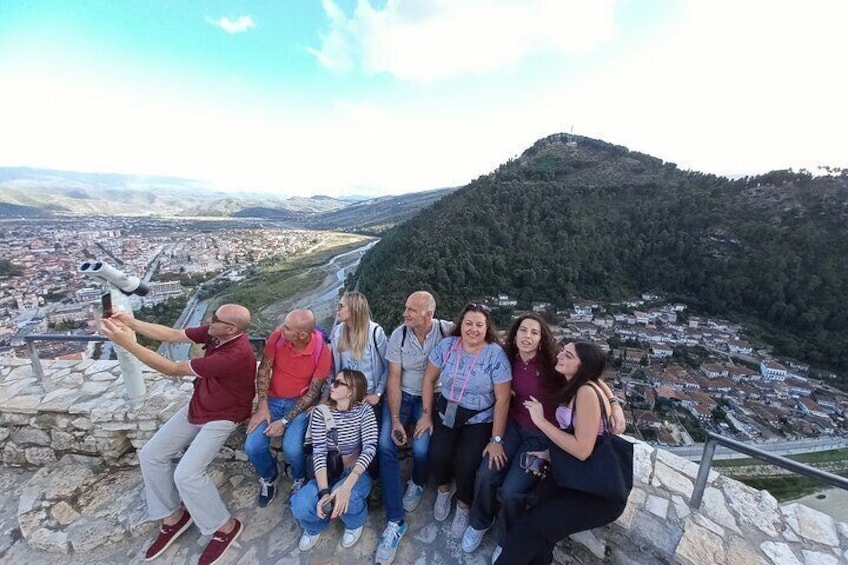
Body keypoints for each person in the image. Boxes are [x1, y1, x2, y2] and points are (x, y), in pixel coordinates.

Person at [100, 305, 256, 565]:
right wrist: (130, 322)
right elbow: (173, 335)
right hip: (201, 403)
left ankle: (225, 527)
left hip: (224, 414)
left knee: (187, 474)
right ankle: (173, 515)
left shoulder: (235, 354)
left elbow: (171, 369)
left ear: (231, 329)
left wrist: (126, 343)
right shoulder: (218, 333)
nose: (209, 321)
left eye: (214, 319)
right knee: (151, 454)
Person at [462, 315, 626, 557]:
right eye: (523, 330)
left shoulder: (553, 365)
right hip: (514, 428)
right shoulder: (507, 358)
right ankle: (480, 521)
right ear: (515, 334)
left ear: (541, 339)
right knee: (486, 473)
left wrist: (614, 403)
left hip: (543, 438)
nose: (527, 336)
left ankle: (507, 539)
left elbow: (590, 377)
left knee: (512, 491)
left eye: (534, 333)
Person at [495, 342, 628, 565]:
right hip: (571, 475)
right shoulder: (575, 383)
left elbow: (583, 450)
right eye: (562, 351)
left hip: (595, 492)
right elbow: (599, 381)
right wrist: (614, 402)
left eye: (568, 355)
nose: (560, 356)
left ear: (582, 366)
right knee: (543, 535)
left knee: (529, 529)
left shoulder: (585, 391)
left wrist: (541, 421)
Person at [415, 302, 512, 540]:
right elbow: (428, 380)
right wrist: (426, 414)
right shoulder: (447, 346)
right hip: (447, 410)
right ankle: (444, 490)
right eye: (468, 323)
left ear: (487, 327)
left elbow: (502, 400)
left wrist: (496, 439)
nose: (473, 329)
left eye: (479, 325)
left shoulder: (495, 355)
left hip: (479, 418)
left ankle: (463, 506)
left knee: (468, 462)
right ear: (461, 324)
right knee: (437, 453)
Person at [375, 291, 454, 565]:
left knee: (421, 446)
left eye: (411, 310)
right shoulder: (400, 334)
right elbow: (394, 379)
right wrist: (396, 419)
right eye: (405, 307)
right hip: (404, 394)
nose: (405, 313)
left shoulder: (446, 331)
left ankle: (418, 482)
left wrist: (428, 413)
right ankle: (395, 521)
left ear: (428, 315)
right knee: (385, 444)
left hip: (433, 395)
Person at [244, 309, 332, 506]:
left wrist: (284, 421)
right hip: (272, 400)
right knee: (252, 446)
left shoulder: (322, 352)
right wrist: (262, 406)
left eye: (287, 327)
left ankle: (299, 477)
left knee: (292, 449)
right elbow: (264, 370)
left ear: (302, 335)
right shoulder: (277, 338)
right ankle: (269, 476)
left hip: (300, 405)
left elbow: (312, 393)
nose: (280, 329)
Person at [290, 369, 378, 551]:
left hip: (354, 472)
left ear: (351, 390)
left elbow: (369, 448)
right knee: (300, 504)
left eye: (338, 383)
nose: (332, 386)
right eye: (333, 382)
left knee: (348, 497)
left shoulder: (365, 411)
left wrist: (346, 487)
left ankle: (354, 522)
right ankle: (315, 526)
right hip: (328, 473)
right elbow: (319, 452)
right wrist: (323, 493)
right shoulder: (321, 413)